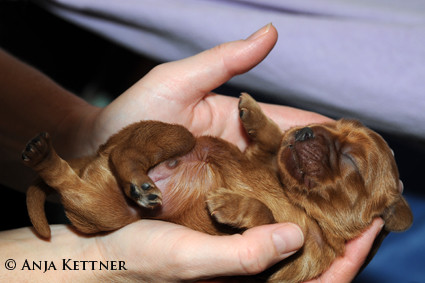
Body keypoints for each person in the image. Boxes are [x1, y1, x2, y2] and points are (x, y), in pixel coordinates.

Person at [0, 24, 383, 282]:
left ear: (373, 210)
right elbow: (262, 157)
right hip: (188, 153)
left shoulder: (320, 246)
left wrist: (258, 216)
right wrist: (265, 133)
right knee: (176, 137)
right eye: (327, 132)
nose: (312, 137)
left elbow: (280, 260)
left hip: (157, 206)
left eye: (347, 158)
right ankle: (126, 162)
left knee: (106, 212)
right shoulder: (295, 181)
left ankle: (56, 171)